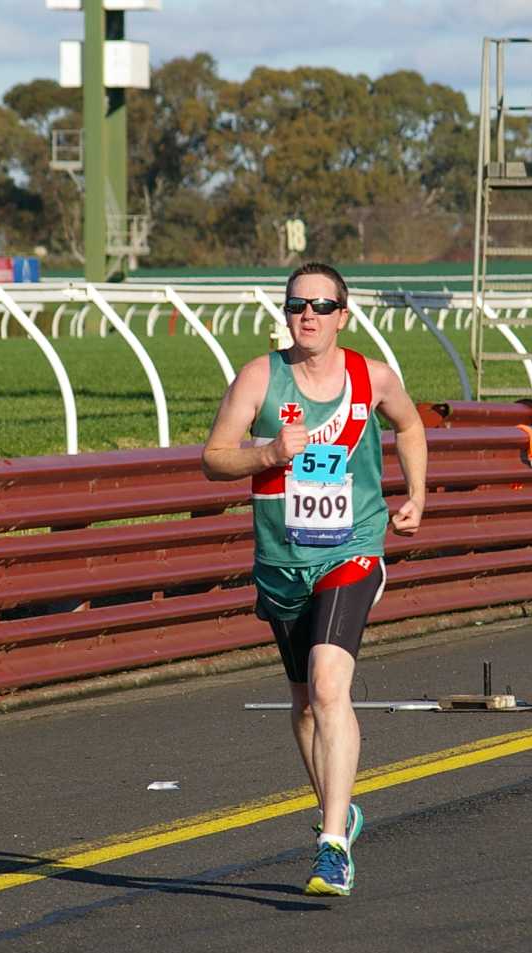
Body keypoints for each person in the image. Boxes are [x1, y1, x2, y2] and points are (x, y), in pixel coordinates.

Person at [202, 262, 426, 897]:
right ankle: (340, 806)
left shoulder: (372, 377)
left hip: (351, 549)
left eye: (323, 306)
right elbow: (214, 458)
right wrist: (267, 453)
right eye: (298, 305)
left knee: (330, 684)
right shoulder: (259, 377)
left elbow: (410, 425)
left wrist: (417, 494)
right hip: (281, 562)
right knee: (303, 702)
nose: (309, 315)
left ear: (343, 316)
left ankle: (332, 847)